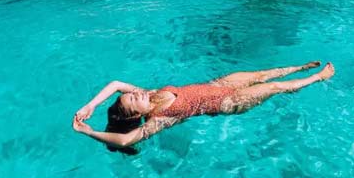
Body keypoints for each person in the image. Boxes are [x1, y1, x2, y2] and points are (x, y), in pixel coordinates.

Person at [72, 61, 335, 154]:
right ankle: (317, 78)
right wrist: (88, 131)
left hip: (218, 85)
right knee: (275, 87)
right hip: (227, 102)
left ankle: (300, 68)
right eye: (133, 98)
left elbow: (116, 83)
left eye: (131, 94)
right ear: (139, 114)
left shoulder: (149, 95)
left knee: (264, 74)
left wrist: (90, 105)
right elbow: (127, 139)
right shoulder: (159, 119)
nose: (135, 92)